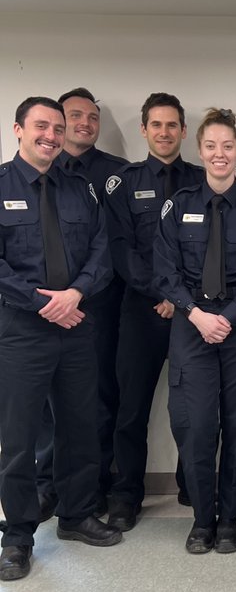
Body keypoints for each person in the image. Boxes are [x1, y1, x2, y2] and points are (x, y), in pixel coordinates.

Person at [0, 97, 122, 582]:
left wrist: (75, 294)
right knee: (19, 437)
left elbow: (101, 253)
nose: (50, 135)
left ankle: (76, 515)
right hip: (22, 330)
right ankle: (18, 537)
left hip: (76, 325)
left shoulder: (80, 190)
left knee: (79, 426)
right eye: (41, 126)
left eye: (57, 127)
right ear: (19, 129)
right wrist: (42, 302)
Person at [154, 108, 236, 555]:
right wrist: (197, 314)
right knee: (197, 427)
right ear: (200, 150)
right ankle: (202, 519)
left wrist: (231, 317)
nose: (219, 153)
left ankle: (230, 519)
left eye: (228, 146)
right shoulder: (178, 205)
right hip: (192, 326)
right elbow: (165, 271)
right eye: (211, 146)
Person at [104, 93, 204, 531]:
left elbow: (207, 252)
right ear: (144, 130)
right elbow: (121, 250)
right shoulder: (123, 183)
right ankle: (126, 494)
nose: (164, 133)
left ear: (183, 131)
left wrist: (180, 298)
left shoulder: (202, 180)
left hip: (188, 314)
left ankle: (192, 483)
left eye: (172, 125)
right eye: (156, 125)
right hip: (141, 311)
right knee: (131, 409)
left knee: (192, 407)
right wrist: (161, 293)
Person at [35, 87, 127, 518]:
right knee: (42, 406)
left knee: (98, 398)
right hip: (36, 311)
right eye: (75, 116)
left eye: (93, 118)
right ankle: (46, 484)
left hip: (98, 306)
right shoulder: (28, 174)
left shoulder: (117, 172)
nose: (85, 124)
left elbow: (113, 244)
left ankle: (94, 485)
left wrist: (79, 294)